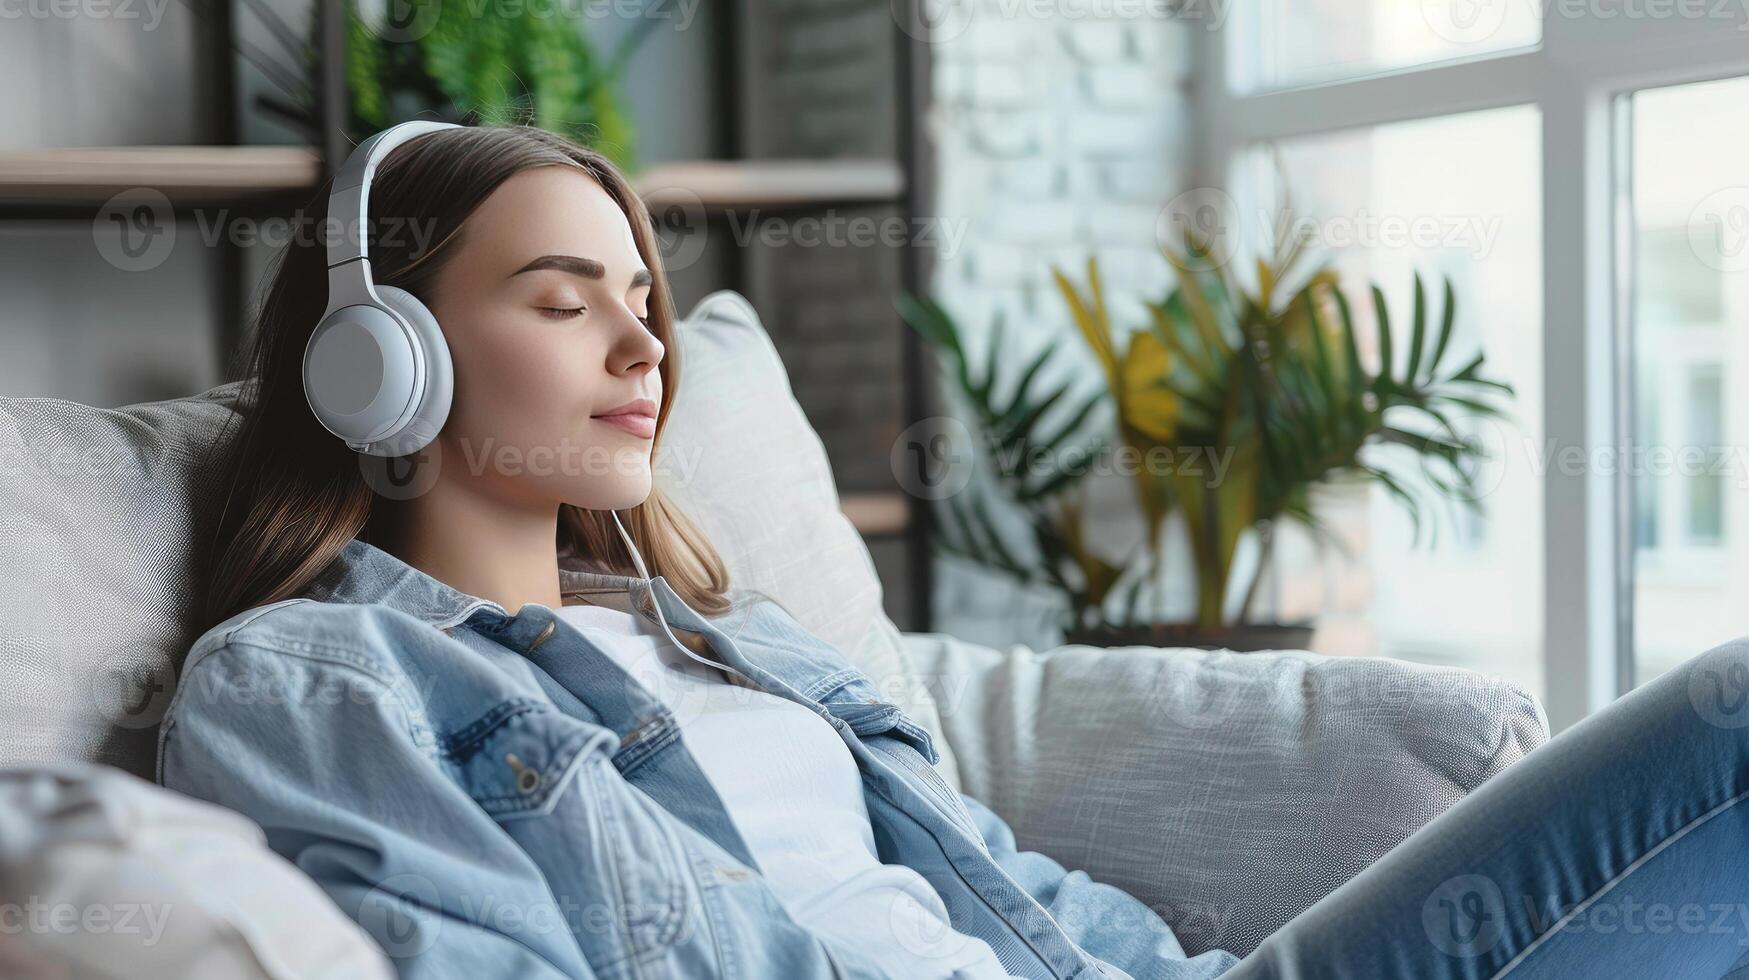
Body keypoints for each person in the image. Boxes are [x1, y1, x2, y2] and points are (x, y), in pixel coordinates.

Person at [158, 123, 1749, 980]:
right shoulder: (314, 678)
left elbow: (998, 889)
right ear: (381, 363)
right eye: (566, 302)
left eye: (643, 299)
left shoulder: (737, 634)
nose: (641, 345)